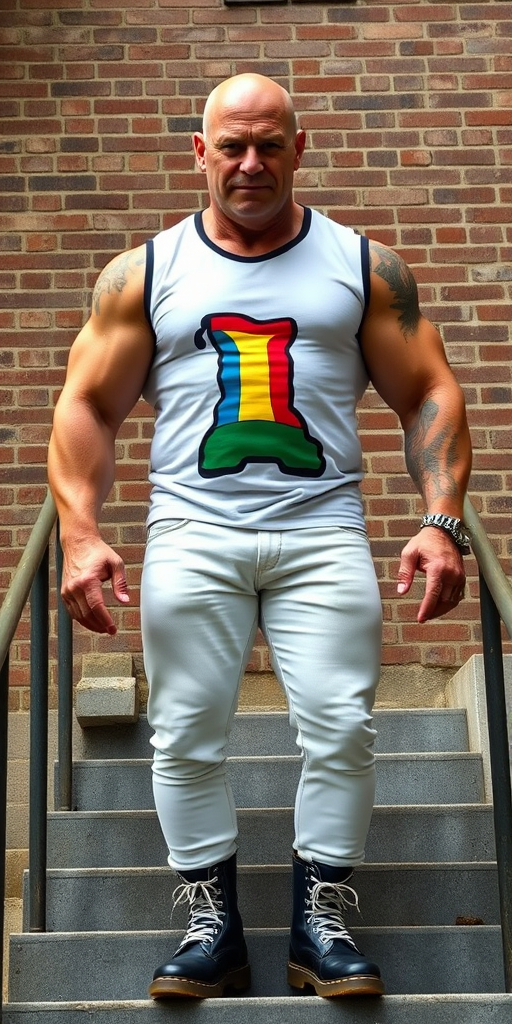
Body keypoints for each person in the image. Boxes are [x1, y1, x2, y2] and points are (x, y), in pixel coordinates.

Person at [48, 73, 472, 1000]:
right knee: (186, 734)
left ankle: (319, 924)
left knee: (342, 726)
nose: (249, 163)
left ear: (299, 146)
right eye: (230, 146)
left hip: (322, 529)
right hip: (193, 529)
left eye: (268, 144)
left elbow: (429, 389)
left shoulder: (363, 265)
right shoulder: (145, 272)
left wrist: (440, 522)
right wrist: (80, 533)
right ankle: (215, 928)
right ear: (197, 152)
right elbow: (85, 402)